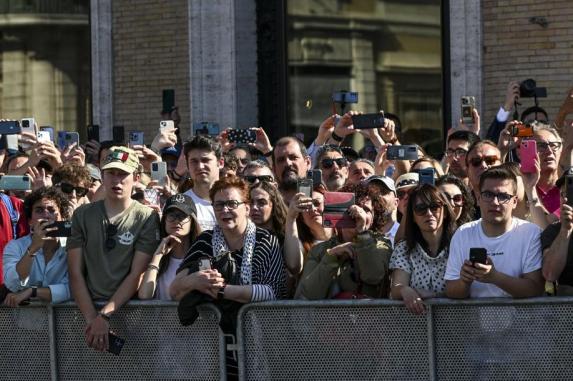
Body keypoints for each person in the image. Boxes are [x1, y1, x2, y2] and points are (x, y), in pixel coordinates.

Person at [67, 146, 160, 351]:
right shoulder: (82, 214)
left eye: (122, 174)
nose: (116, 180)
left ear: (136, 177)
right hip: (86, 311)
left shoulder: (146, 216)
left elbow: (137, 273)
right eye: (110, 173)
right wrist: (93, 319)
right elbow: (75, 272)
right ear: (102, 175)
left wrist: (105, 315)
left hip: (130, 312)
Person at [170, 176, 286, 302]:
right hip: (214, 321)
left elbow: (272, 291)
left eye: (232, 204)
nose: (225, 210)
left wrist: (221, 290)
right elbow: (174, 290)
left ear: (247, 208)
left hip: (256, 321)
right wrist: (194, 281)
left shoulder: (266, 240)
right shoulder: (204, 241)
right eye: (219, 205)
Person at [444, 167, 544, 298]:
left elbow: (535, 289)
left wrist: (495, 277)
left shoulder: (531, 233)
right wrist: (464, 280)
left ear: (514, 202)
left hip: (522, 318)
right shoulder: (463, 233)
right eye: (488, 195)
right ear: (478, 199)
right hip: (475, 318)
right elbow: (451, 291)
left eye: (503, 196)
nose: (495, 202)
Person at [295, 190, 392, 299]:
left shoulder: (382, 243)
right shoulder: (319, 250)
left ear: (373, 218)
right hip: (330, 316)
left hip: (370, 315)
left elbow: (373, 276)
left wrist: (363, 234)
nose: (357, 213)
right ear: (338, 213)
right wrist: (331, 257)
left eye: (366, 209)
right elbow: (310, 294)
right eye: (349, 207)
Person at [390, 184, 457, 314]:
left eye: (435, 207)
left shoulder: (459, 244)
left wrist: (434, 296)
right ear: (413, 217)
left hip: (454, 325)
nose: (429, 213)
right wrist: (404, 290)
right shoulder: (404, 248)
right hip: (416, 326)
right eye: (420, 209)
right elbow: (397, 286)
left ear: (444, 212)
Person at [3, 187, 71, 306]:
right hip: (25, 322)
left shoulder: (72, 247)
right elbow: (12, 283)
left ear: (62, 218)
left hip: (64, 322)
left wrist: (33, 291)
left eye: (51, 210)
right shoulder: (15, 246)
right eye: (39, 210)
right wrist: (33, 248)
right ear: (30, 221)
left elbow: (73, 288)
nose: (46, 215)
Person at [139, 194, 201, 300]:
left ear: (192, 221)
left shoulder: (201, 256)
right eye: (171, 215)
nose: (176, 220)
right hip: (160, 317)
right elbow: (145, 295)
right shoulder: (155, 254)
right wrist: (157, 257)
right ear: (164, 221)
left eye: (182, 215)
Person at [284, 187, 333, 276]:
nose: (313, 209)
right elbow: (294, 266)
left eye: (317, 203)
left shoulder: (343, 233)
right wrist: (291, 218)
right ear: (302, 218)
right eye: (307, 206)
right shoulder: (301, 244)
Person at [541, 169, 573, 294]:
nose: (567, 199)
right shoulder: (553, 232)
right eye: (563, 194)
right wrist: (565, 230)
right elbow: (549, 274)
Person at [183, 135, 224, 231]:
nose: (200, 166)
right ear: (187, 165)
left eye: (205, 160)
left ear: (221, 163)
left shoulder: (236, 202)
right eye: (194, 161)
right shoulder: (181, 205)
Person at [272, 136, 311, 203]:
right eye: (281, 160)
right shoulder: (268, 203)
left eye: (293, 157)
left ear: (307, 163)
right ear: (273, 168)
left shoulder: (320, 200)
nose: (287, 163)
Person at [366, 175, 400, 246]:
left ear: (396, 202)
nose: (378, 196)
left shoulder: (406, 234)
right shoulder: (357, 232)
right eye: (371, 193)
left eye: (384, 192)